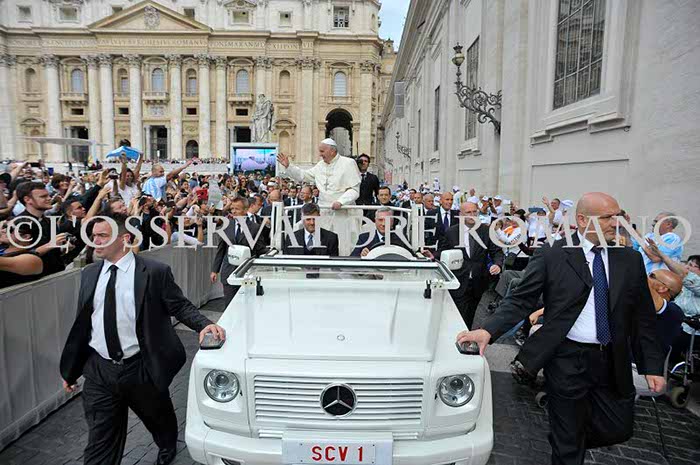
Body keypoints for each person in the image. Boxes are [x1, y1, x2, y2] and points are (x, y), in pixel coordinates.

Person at [456, 192, 665, 465]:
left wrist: (652, 365)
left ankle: (567, 438)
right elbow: (521, 299)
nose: (617, 223)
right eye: (608, 217)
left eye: (618, 216)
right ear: (583, 220)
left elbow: (643, 317)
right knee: (568, 445)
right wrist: (488, 330)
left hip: (613, 359)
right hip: (567, 358)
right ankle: (567, 442)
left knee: (619, 428)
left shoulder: (629, 259)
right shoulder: (553, 253)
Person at [60, 213, 225, 465]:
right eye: (93, 236)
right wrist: (71, 370)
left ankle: (167, 445)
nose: (95, 241)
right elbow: (84, 325)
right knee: (100, 441)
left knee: (158, 418)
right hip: (99, 371)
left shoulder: (155, 272)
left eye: (102, 236)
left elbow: (179, 306)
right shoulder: (89, 273)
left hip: (141, 367)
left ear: (124, 238)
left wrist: (204, 324)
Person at [277, 139, 362, 255]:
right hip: (324, 211)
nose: (320, 154)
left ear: (332, 151)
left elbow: (354, 190)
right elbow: (304, 175)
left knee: (343, 245)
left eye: (322, 151)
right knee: (322, 243)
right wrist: (289, 166)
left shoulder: (348, 163)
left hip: (342, 212)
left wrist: (341, 201)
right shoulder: (320, 165)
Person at [428, 201, 503, 328]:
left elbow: (497, 252)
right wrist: (433, 255)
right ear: (461, 214)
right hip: (458, 279)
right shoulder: (451, 232)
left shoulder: (486, 231)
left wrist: (497, 264)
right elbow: (443, 251)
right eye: (468, 212)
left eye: (474, 212)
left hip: (478, 281)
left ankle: (465, 334)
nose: (472, 215)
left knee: (471, 314)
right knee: (459, 313)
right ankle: (457, 334)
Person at [211, 197, 267, 306]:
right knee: (229, 305)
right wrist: (214, 270)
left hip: (248, 274)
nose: (233, 211)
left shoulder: (255, 228)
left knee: (247, 306)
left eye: (237, 209)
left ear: (245, 210)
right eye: (232, 209)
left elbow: (260, 250)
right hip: (229, 272)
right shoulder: (226, 226)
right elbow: (221, 250)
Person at [356, 153, 380, 219]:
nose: (363, 163)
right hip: (355, 207)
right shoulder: (353, 176)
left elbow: (377, 193)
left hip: (369, 208)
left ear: (368, 164)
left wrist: (377, 206)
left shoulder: (373, 178)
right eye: (361, 161)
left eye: (366, 161)